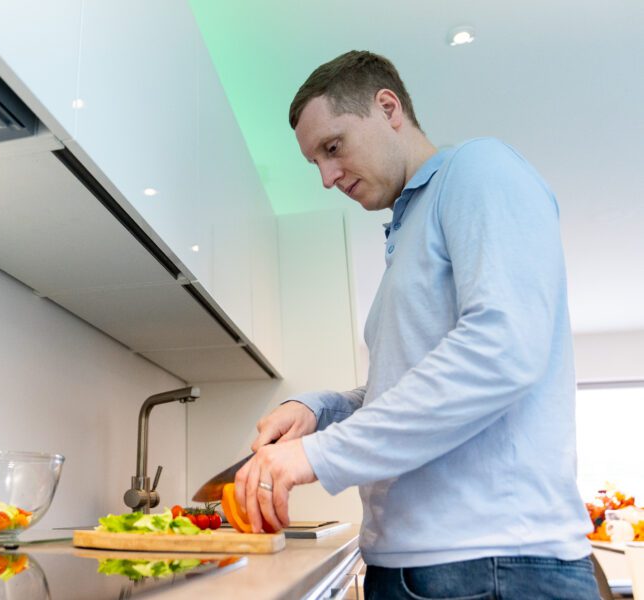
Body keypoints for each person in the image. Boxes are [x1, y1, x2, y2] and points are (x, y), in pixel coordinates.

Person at [234, 50, 599, 599]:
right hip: (422, 567)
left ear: (388, 107)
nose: (328, 177)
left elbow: (500, 352)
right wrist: (321, 409)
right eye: (316, 164)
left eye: (332, 148)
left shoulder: (478, 169)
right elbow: (415, 382)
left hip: (491, 565)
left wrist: (317, 456)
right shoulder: (407, 231)